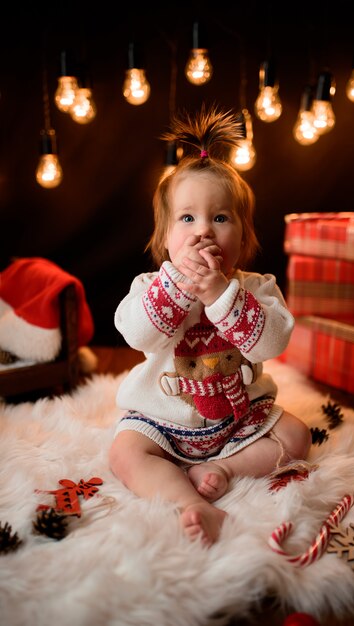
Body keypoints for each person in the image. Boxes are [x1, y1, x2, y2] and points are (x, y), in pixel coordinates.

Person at [109, 106, 311, 546]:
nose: (203, 231)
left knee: (297, 435)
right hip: (162, 420)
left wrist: (221, 294)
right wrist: (179, 287)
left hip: (241, 419)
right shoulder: (150, 285)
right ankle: (191, 504)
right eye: (187, 218)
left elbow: (269, 344)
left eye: (220, 218)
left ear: (244, 237)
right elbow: (137, 334)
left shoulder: (256, 287)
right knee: (123, 453)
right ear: (165, 238)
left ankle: (223, 469)